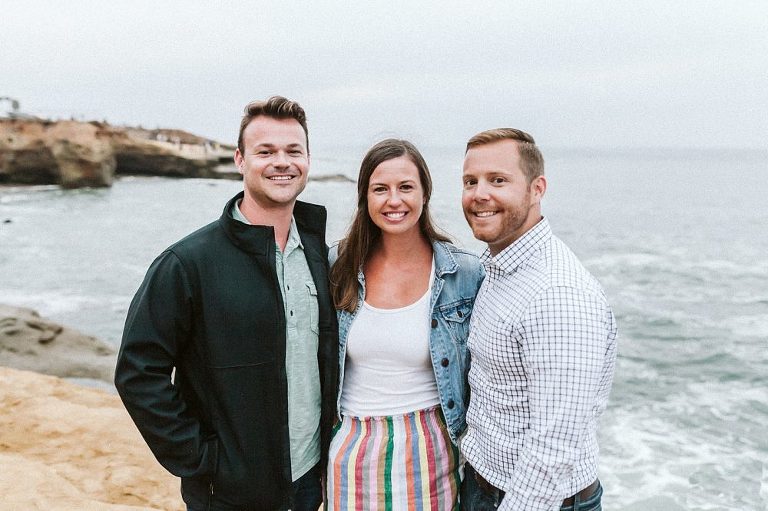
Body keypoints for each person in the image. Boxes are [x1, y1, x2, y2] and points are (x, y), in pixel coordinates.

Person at [114, 96, 339, 511]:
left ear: (308, 159)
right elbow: (138, 372)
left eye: (293, 151)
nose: (282, 162)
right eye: (265, 151)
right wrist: (204, 461)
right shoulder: (187, 263)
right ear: (240, 159)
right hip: (229, 494)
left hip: (310, 482)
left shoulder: (317, 254)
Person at [459, 129, 618, 511]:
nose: (480, 193)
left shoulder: (558, 295)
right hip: (482, 487)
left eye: (498, 180)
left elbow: (552, 451)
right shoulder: (497, 266)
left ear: (536, 188)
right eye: (470, 181)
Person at [326, 139, 484, 509]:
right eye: (380, 189)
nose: (393, 200)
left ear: (425, 193)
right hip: (352, 446)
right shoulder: (338, 265)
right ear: (365, 198)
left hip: (431, 449)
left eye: (406, 187)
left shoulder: (463, 273)